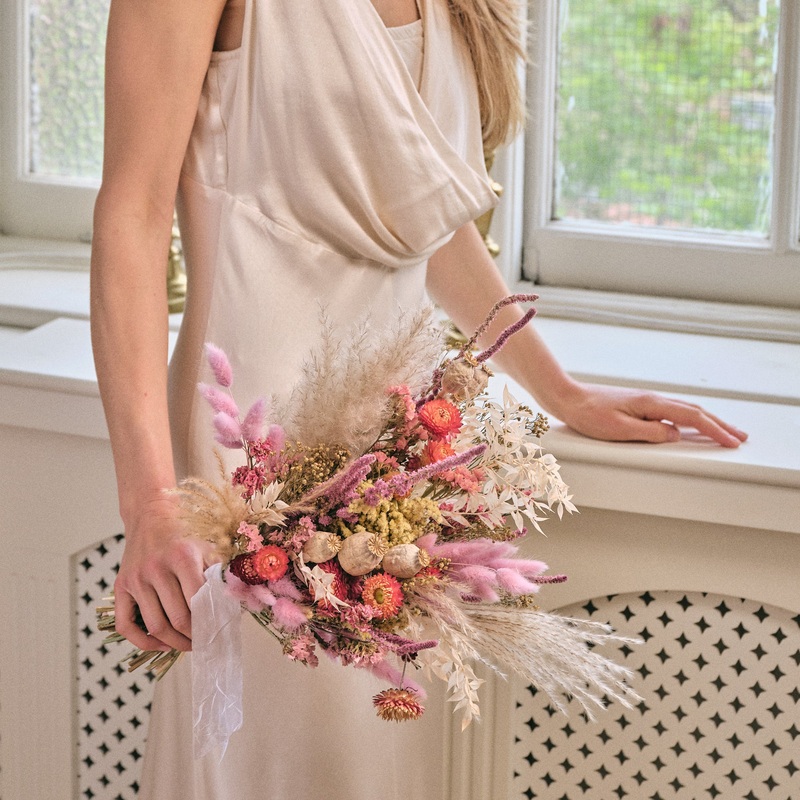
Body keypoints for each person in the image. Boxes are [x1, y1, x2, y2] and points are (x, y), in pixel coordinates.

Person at [90, 0, 747, 797]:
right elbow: (131, 212)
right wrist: (152, 500)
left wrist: (561, 391)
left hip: (403, 458)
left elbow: (424, 220)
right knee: (247, 759)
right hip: (246, 459)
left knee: (376, 759)